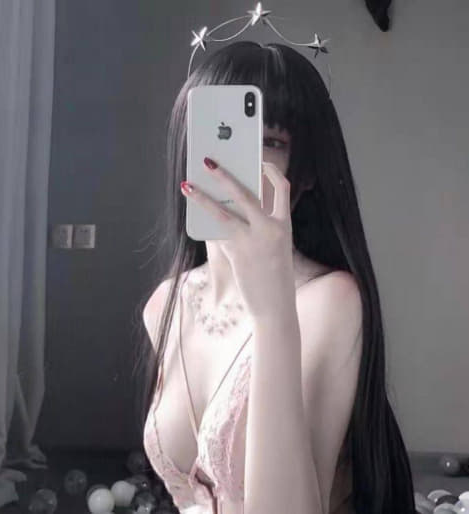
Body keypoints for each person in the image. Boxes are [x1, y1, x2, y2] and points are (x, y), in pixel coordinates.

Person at [134, 41, 416, 514]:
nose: (236, 162)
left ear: (304, 174)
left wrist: (272, 313)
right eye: (219, 135)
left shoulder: (330, 302)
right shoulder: (168, 302)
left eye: (269, 142)